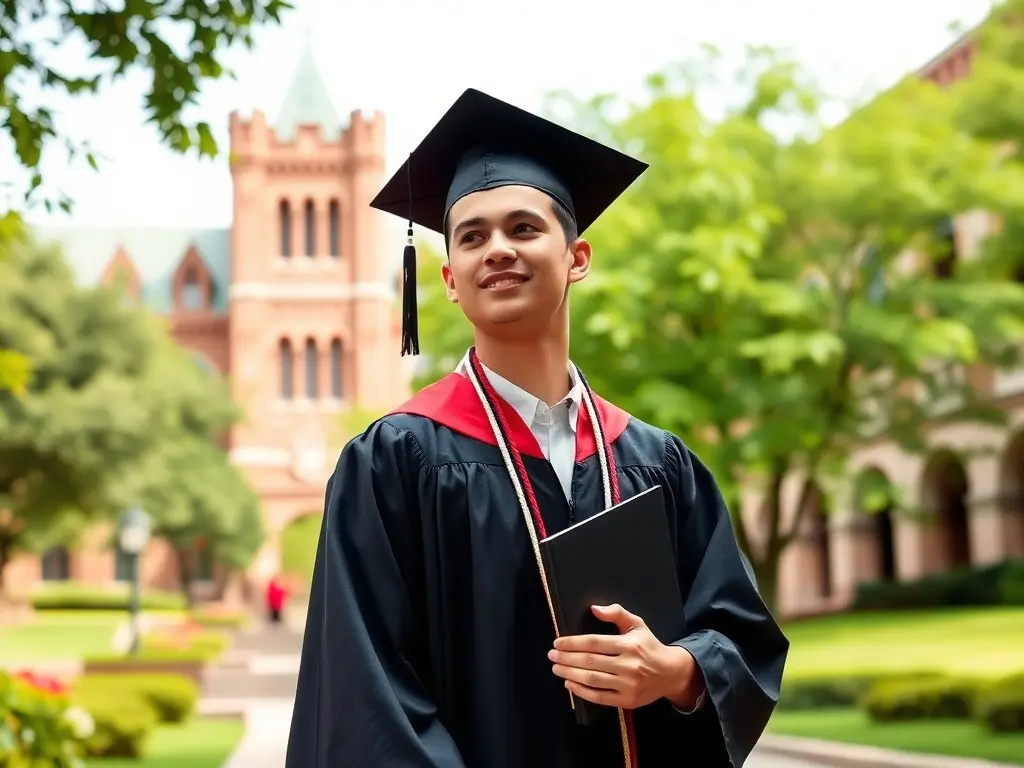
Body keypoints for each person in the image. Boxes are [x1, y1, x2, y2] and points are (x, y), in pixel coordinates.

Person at [285, 88, 789, 768]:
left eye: (523, 229)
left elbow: (739, 633)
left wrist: (676, 672)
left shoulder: (658, 463)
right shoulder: (393, 461)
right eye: (472, 236)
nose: (497, 249)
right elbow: (364, 696)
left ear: (577, 257)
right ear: (450, 280)